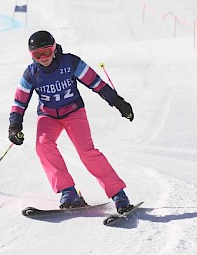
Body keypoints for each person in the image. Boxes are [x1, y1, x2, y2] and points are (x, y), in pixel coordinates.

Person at [8, 30, 134, 214]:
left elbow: (96, 83)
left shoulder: (70, 63)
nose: (43, 57)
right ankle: (68, 191)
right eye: (37, 54)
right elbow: (19, 101)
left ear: (54, 49)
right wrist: (14, 126)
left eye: (46, 52)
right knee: (43, 145)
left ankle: (119, 195)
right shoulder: (31, 73)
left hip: (74, 111)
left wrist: (118, 102)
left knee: (86, 152)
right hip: (48, 115)